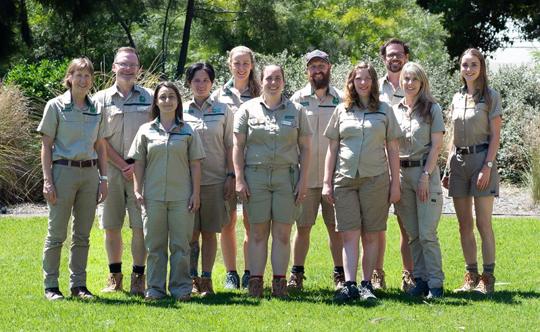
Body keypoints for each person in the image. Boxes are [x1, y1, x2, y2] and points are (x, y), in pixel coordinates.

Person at [323, 62, 402, 301]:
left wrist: (395, 183)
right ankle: (350, 285)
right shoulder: (342, 110)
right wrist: (327, 182)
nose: (363, 83)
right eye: (358, 79)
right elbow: (332, 147)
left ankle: (367, 284)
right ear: (352, 82)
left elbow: (393, 148)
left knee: (370, 234)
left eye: (367, 78)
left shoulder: (385, 110)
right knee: (348, 234)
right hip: (345, 180)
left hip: (375, 180)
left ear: (374, 82)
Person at [234, 65, 312, 298]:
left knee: (282, 233)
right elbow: (237, 147)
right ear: (261, 80)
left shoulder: (296, 110)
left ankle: (279, 284)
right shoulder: (247, 109)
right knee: (257, 232)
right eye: (269, 78)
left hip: (286, 177)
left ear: (284, 81)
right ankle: (256, 284)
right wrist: (239, 179)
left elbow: (306, 148)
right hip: (255, 176)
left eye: (278, 78)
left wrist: (303, 181)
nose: (273, 82)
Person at [38, 57, 109, 300]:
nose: (83, 80)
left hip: (90, 174)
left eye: (87, 75)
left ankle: (79, 285)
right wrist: (48, 180)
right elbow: (46, 146)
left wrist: (104, 178)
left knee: (82, 235)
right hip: (62, 173)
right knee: (57, 233)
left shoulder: (97, 109)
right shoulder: (55, 106)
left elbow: (100, 146)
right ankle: (51, 286)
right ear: (69, 78)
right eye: (78, 75)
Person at [129, 82, 205, 301]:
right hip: (153, 198)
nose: (167, 101)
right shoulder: (145, 131)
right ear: (156, 101)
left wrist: (196, 193)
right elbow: (139, 163)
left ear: (178, 101)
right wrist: (137, 189)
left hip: (182, 198)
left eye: (171, 97)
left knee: (181, 246)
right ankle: (154, 289)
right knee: (155, 245)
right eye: (162, 97)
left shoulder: (188, 131)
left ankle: (181, 288)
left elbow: (195, 165)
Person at [442, 48, 502, 295]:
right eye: (465, 64)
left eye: (473, 64)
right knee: (463, 224)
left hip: (482, 161)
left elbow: (496, 136)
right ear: (460, 68)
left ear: (481, 67)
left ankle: (487, 278)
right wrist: (447, 167)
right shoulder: (457, 97)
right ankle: (471, 275)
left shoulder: (490, 97)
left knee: (483, 223)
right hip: (459, 164)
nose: (469, 69)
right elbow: (453, 137)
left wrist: (487, 166)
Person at [95, 47, 152, 296]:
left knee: (140, 226)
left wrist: (136, 166)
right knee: (112, 225)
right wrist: (122, 165)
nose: (128, 69)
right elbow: (98, 139)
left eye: (132, 65)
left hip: (142, 171)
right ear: (114, 68)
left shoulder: (151, 98)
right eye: (123, 64)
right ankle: (114, 276)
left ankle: (139, 277)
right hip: (111, 170)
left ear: (139, 69)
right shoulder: (100, 99)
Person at [287, 50, 344, 291]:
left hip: (335, 177)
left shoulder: (342, 98)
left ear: (329, 67)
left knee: (336, 228)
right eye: (313, 66)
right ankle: (296, 275)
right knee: (303, 227)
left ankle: (341, 275)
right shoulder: (297, 99)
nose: (317, 70)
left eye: (321, 65)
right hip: (306, 177)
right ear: (306, 71)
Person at [393, 62, 445, 299]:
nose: (410, 83)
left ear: (422, 82)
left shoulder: (432, 109)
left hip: (425, 174)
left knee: (427, 233)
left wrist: (425, 175)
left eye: (414, 79)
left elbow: (436, 146)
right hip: (402, 176)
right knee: (413, 233)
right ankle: (421, 280)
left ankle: (436, 284)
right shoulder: (395, 110)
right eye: (406, 79)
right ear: (400, 82)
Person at [211, 46, 261, 289]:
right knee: (227, 222)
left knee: (252, 222)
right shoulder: (218, 96)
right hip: (225, 168)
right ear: (229, 64)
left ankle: (250, 271)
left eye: (245, 64)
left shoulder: (262, 93)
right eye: (237, 63)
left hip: (254, 166)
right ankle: (231, 272)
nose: (241, 68)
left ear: (252, 66)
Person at [183, 63, 234, 296]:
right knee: (191, 234)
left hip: (215, 180)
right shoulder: (180, 110)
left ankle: (207, 279)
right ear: (189, 83)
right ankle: (191, 278)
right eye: (196, 80)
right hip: (187, 183)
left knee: (210, 232)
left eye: (205, 80)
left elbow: (230, 145)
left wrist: (231, 175)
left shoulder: (223, 110)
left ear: (212, 83)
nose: (201, 85)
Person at [373, 38, 415, 292]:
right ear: (384, 58)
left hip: (406, 164)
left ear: (406, 57)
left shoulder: (415, 86)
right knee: (377, 224)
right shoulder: (374, 88)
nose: (394, 58)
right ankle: (377, 274)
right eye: (390, 55)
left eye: (399, 54)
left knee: (406, 225)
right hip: (377, 163)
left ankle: (408, 275)